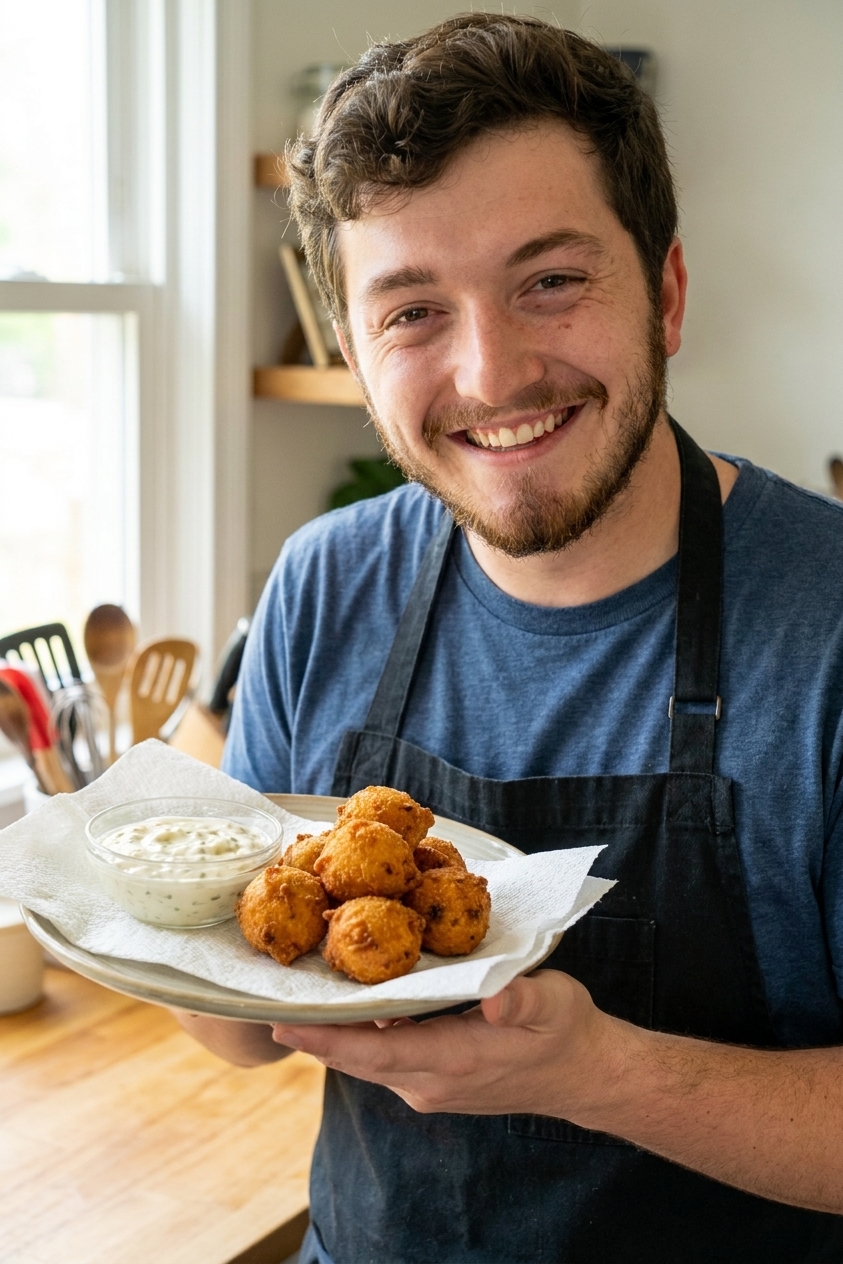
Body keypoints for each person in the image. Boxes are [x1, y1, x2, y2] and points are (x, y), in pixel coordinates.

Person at [177, 14, 843, 1261]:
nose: (491, 374)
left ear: (668, 292)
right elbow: (235, 1030)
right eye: (413, 311)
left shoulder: (830, 624)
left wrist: (595, 1072)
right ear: (360, 360)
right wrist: (131, 900)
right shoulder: (323, 584)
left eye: (550, 280)